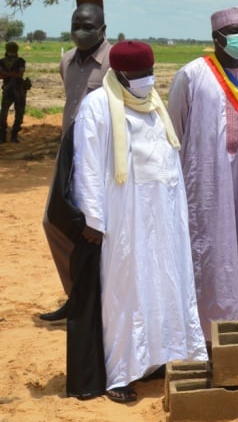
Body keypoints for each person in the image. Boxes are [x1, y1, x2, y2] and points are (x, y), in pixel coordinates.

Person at [72, 41, 207, 403]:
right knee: (126, 291)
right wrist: (94, 218)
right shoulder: (97, 107)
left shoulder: (153, 104)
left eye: (150, 73)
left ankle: (158, 359)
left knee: (165, 283)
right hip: (123, 216)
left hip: (162, 213)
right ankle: (121, 373)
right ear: (118, 74)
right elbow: (87, 165)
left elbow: (169, 156)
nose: (146, 81)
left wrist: (178, 209)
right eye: (138, 75)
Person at [168, 7, 238, 345]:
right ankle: (207, 330)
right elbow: (175, 129)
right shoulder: (192, 74)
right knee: (209, 248)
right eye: (234, 29)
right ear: (217, 38)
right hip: (204, 178)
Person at [39, 3, 112, 323]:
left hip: (102, 157)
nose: (81, 31)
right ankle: (76, 295)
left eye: (88, 26)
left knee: (96, 229)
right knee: (53, 221)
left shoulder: (113, 62)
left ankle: (101, 301)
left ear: (103, 29)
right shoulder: (66, 61)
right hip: (68, 155)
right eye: (76, 25)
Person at [1, 41, 27, 143]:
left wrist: (6, 74)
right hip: (10, 90)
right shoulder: (2, 62)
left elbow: (20, 74)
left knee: (19, 114)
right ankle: (4, 135)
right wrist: (13, 74)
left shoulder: (20, 61)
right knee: (3, 114)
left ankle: (13, 135)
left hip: (18, 90)